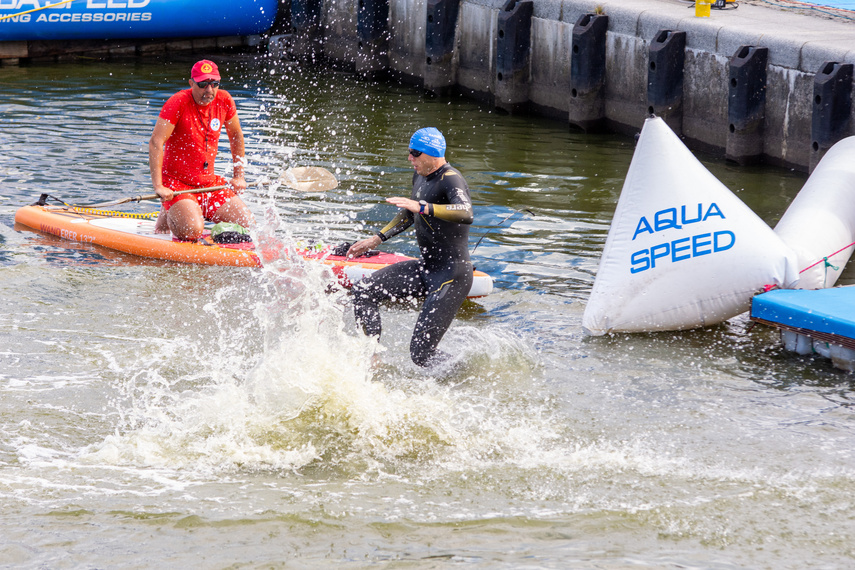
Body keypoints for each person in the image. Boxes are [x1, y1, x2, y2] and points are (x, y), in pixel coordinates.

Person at [347, 127, 474, 367]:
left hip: (452, 275)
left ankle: (466, 373)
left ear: (432, 154)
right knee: (363, 291)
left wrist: (424, 207)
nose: (410, 158)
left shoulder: (452, 179)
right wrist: (376, 239)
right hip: (426, 268)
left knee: (421, 354)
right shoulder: (420, 175)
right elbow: (409, 212)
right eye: (409, 152)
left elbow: (466, 212)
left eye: (415, 153)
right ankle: (372, 358)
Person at [150, 59, 254, 240]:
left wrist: (239, 176)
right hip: (177, 183)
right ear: (191, 83)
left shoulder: (225, 100)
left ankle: (183, 210)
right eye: (203, 84)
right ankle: (170, 208)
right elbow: (156, 142)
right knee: (191, 232)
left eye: (214, 84)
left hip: (208, 183)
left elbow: (236, 136)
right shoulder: (178, 102)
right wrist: (158, 186)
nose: (209, 90)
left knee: (247, 224)